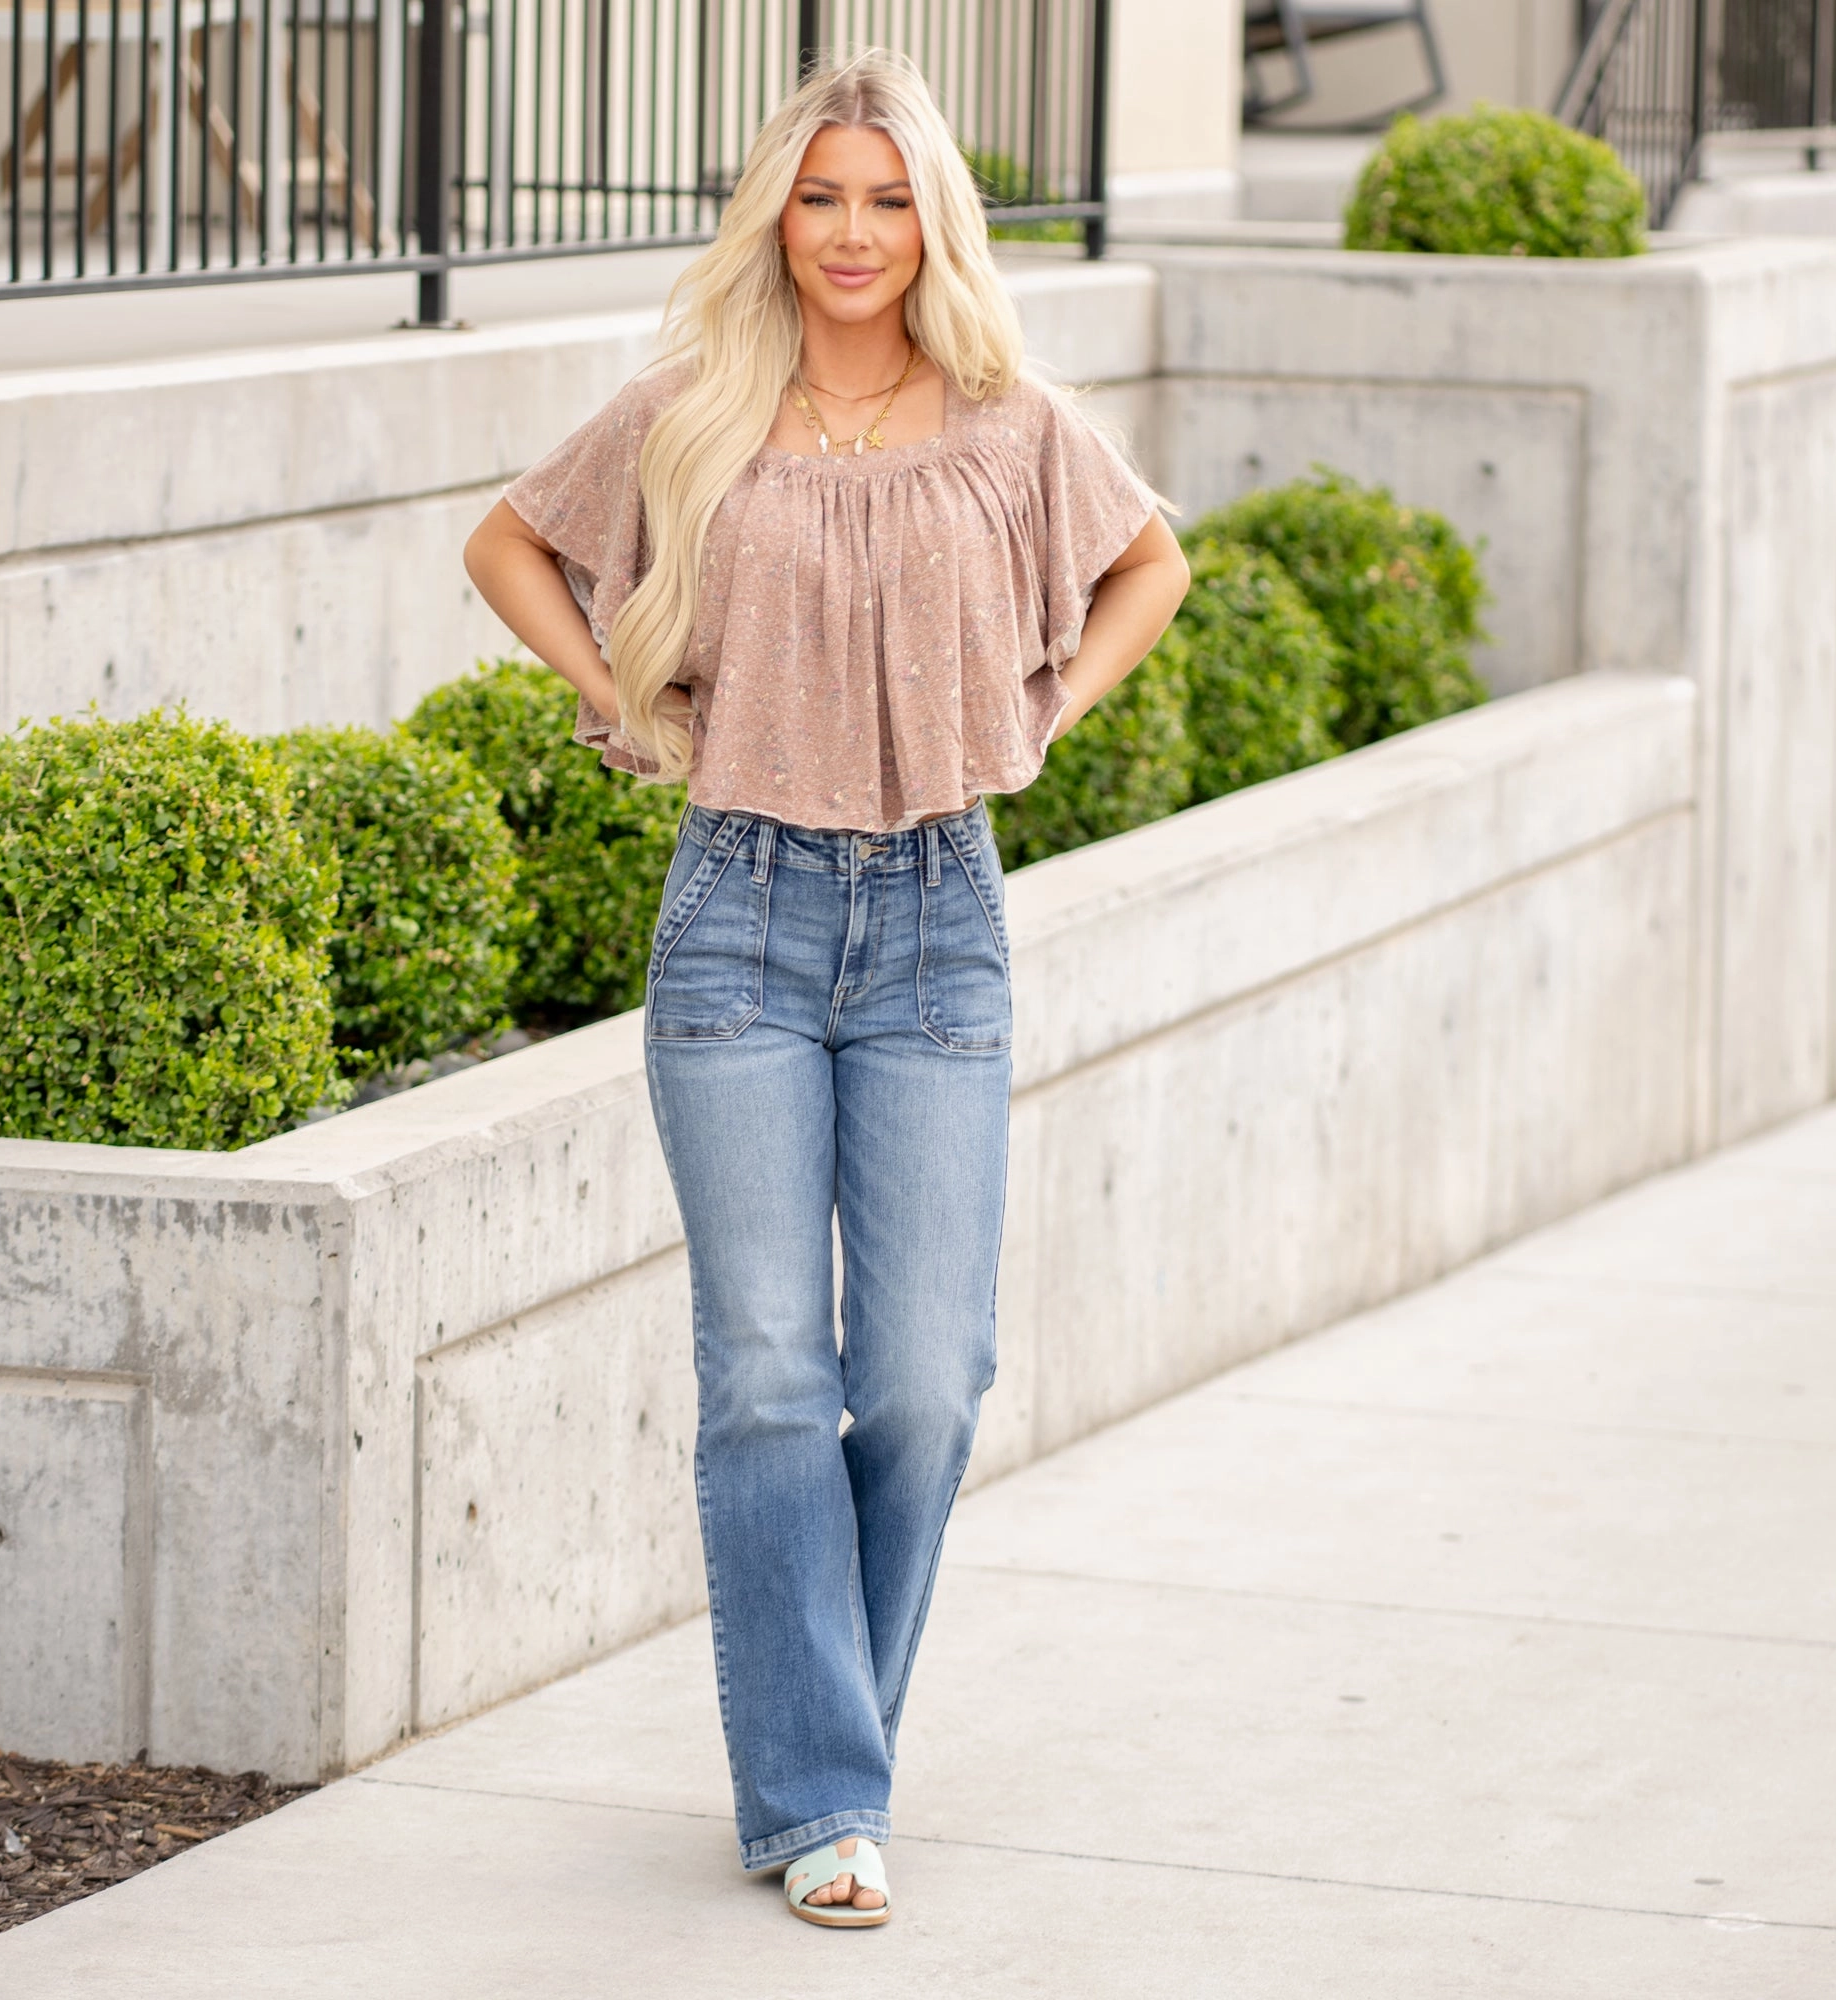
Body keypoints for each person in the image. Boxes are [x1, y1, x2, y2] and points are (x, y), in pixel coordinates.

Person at [463, 47, 1188, 1929]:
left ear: (929, 219)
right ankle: (821, 1797)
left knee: (931, 1381)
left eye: (885, 199)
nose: (852, 234)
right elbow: (508, 542)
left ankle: (819, 1746)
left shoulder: (1009, 418)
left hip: (941, 918)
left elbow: (1148, 566)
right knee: (771, 1373)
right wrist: (618, 697)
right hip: (741, 923)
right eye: (819, 196)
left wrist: (1045, 711)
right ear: (776, 215)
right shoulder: (699, 409)